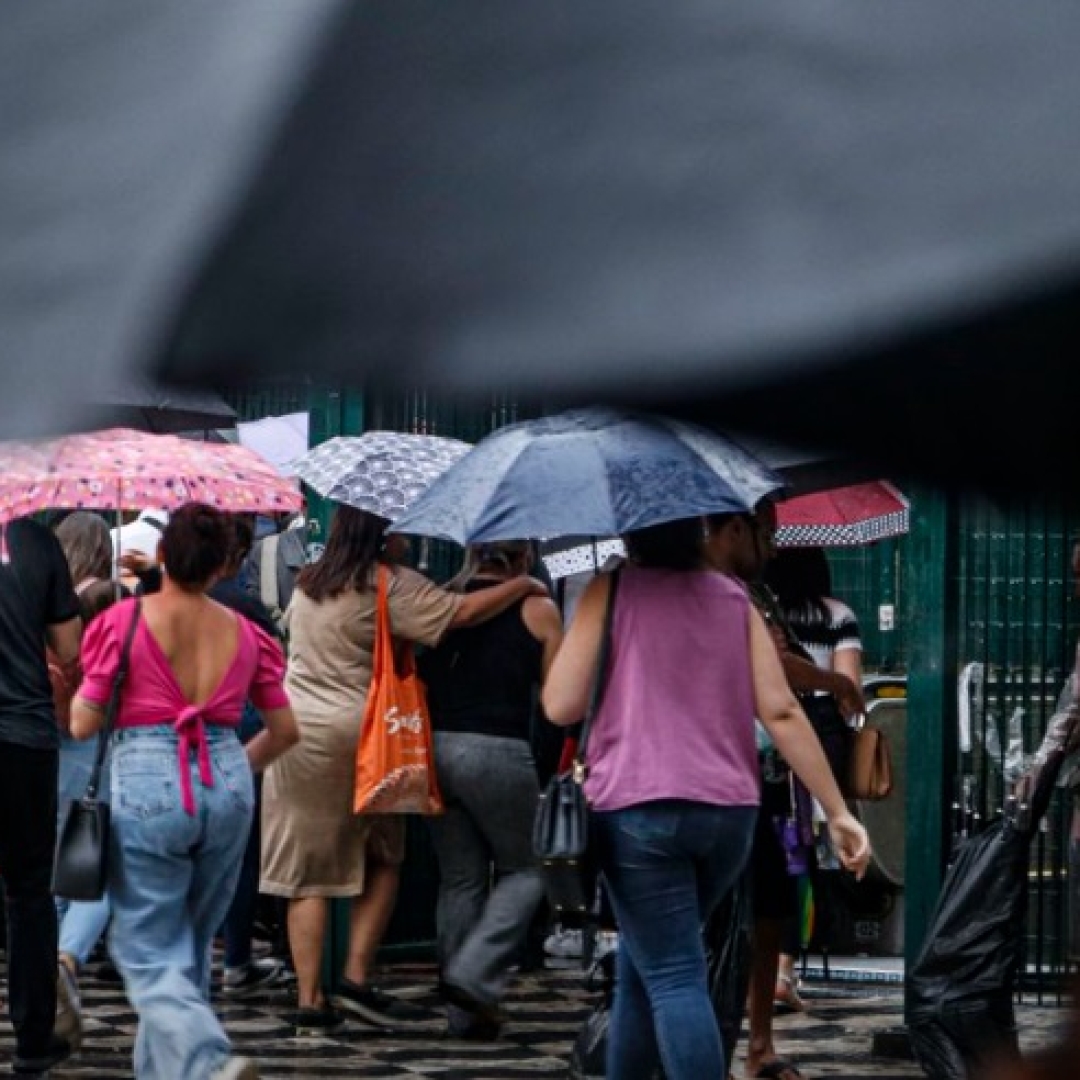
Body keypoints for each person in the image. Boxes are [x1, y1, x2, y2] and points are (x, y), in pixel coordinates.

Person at [541, 512, 871, 1080]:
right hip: (727, 814)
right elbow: (781, 709)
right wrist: (837, 811)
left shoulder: (611, 588)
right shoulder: (733, 599)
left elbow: (560, 706)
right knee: (648, 970)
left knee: (670, 972)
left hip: (637, 808)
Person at [258, 505, 550, 1036]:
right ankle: (355, 977)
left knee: (307, 874)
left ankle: (310, 1000)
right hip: (365, 736)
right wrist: (524, 583)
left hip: (297, 729)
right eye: (403, 533)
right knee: (386, 855)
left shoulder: (310, 581)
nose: (410, 540)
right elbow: (459, 614)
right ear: (384, 536)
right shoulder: (390, 584)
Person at [70, 502, 300, 1080]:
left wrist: (81, 688)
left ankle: (203, 1059)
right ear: (224, 565)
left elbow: (82, 724)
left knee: (145, 948)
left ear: (162, 556)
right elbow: (285, 732)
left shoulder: (120, 623)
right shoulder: (247, 633)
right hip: (225, 776)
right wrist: (228, 774)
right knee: (192, 948)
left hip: (146, 777)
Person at [708, 501, 865, 1080]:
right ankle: (720, 1048)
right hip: (724, 771)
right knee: (719, 918)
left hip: (768, 773)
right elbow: (777, 685)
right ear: (733, 530)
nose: (774, 546)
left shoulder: (758, 596)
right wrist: (831, 683)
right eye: (766, 532)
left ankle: (756, 1046)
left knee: (770, 904)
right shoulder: (722, 598)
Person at [417, 540, 564, 1038]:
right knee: (530, 867)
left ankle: (464, 1014)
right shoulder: (539, 609)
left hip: (433, 748)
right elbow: (556, 699)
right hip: (498, 751)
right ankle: (474, 974)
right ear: (524, 557)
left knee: (460, 878)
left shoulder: (439, 602)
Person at [764, 544, 865, 1013]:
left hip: (767, 732)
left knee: (777, 844)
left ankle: (763, 971)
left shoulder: (763, 614)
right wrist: (839, 688)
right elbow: (851, 691)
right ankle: (786, 968)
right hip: (822, 734)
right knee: (813, 842)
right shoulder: (838, 615)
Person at [0, 516, 83, 1075]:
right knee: (29, 891)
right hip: (23, 737)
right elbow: (69, 644)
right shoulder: (34, 536)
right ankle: (33, 1042)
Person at [49, 511, 132, 1052]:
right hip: (105, 740)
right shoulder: (117, 599)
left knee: (63, 857)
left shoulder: (47, 600)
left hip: (55, 740)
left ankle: (55, 968)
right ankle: (67, 956)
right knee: (102, 862)